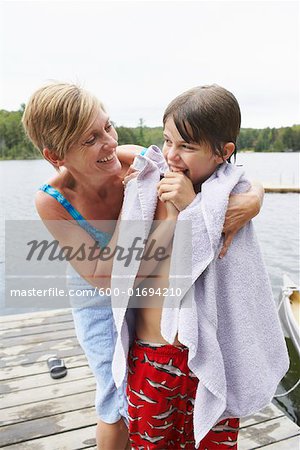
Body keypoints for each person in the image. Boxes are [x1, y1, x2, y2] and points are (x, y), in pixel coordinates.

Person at [22, 82, 264, 450]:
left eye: (108, 126)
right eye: (90, 139)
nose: (108, 142)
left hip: (147, 276)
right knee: (114, 396)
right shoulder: (52, 200)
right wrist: (171, 220)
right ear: (56, 155)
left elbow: (223, 176)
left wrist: (254, 199)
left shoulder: (134, 163)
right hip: (99, 285)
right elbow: (108, 278)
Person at [114, 85, 289, 449]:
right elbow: (133, 268)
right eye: (167, 141)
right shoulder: (151, 185)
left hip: (211, 362)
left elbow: (233, 276)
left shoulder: (229, 198)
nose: (172, 156)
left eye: (187, 147)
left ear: (223, 153)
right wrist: (183, 213)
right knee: (151, 443)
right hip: (151, 354)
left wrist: (199, 207)